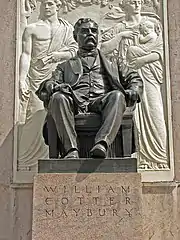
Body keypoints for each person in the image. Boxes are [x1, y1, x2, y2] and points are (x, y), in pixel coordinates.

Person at [36, 18, 143, 159]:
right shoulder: (65, 66)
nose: (90, 34)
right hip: (74, 103)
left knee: (117, 95)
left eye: (94, 31)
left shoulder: (113, 63)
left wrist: (133, 90)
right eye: (85, 31)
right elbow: (49, 83)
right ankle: (71, 150)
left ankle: (102, 144)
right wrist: (55, 86)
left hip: (102, 102)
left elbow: (134, 79)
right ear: (76, 37)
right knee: (58, 98)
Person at [101, 0, 168, 169]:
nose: (137, 4)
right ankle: (132, 157)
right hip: (123, 79)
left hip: (147, 76)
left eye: (139, 1)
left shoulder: (152, 23)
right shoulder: (119, 28)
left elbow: (161, 49)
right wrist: (120, 36)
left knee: (153, 111)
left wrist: (141, 60)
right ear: (124, 5)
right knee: (123, 115)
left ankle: (157, 157)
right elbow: (103, 49)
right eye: (132, 1)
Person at [18, 0, 77, 170]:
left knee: (59, 114)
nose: (46, 6)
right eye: (44, 3)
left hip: (59, 76)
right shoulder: (32, 28)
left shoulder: (68, 28)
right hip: (37, 77)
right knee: (35, 116)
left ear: (58, 5)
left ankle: (57, 156)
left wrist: (56, 56)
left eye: (50, 3)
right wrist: (22, 79)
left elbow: (74, 51)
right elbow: (26, 55)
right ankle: (28, 161)